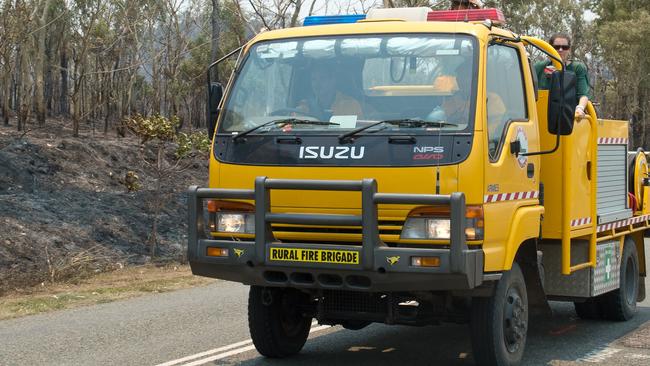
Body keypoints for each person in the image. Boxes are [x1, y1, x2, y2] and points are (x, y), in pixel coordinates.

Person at [534, 33, 591, 118]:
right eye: (556, 47)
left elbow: (583, 94)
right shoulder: (539, 67)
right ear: (549, 48)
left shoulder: (577, 68)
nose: (560, 50)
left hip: (567, 118)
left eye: (564, 47)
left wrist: (580, 108)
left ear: (569, 50)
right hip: (540, 116)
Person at [297, 61, 363, 121]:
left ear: (333, 80)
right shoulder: (305, 106)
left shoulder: (350, 105)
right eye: (313, 79)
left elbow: (358, 131)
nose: (317, 84)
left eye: (322, 78)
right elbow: (291, 128)